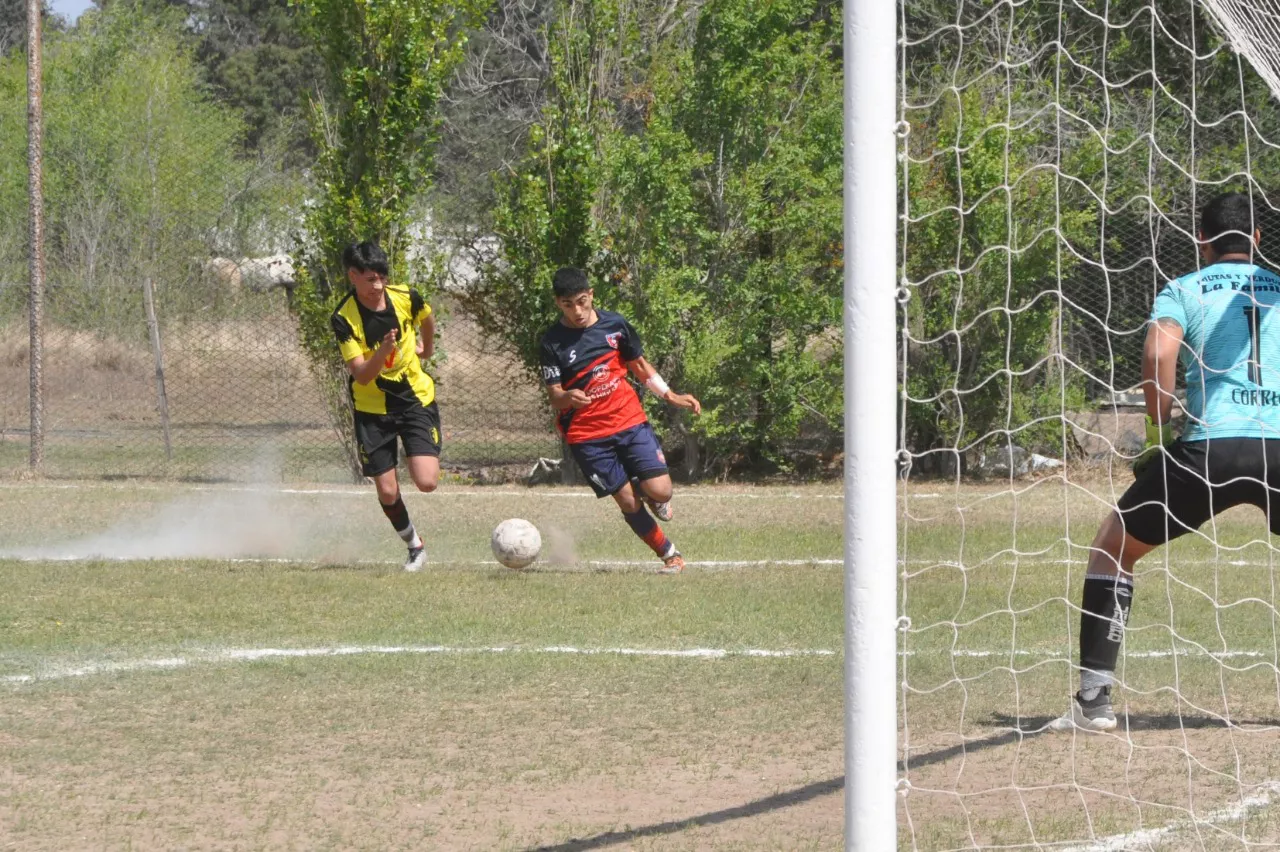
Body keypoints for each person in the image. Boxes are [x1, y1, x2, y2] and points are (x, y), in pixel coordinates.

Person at [1057, 191, 1280, 731]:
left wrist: (1158, 432)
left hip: (1210, 447)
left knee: (1113, 548)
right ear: (1256, 238)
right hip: (1278, 442)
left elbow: (1159, 353)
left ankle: (1094, 702)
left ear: (1202, 240)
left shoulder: (1183, 289)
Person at [538, 267, 702, 573]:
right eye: (568, 305)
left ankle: (647, 490)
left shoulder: (615, 325)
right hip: (587, 435)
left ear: (591, 295)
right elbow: (555, 396)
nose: (577, 311)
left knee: (662, 491)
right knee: (627, 501)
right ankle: (670, 555)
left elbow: (638, 364)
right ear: (558, 303)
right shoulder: (552, 342)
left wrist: (670, 395)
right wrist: (568, 397)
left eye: (582, 301)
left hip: (629, 420)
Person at [330, 241, 440, 572]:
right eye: (370, 279)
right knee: (388, 492)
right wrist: (383, 351)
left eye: (382, 278)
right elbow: (362, 375)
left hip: (415, 400)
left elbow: (427, 318)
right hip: (372, 410)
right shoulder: (344, 318)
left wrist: (427, 349)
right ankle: (415, 546)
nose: (378, 286)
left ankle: (414, 450)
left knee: (427, 482)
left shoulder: (406, 297)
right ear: (353, 276)